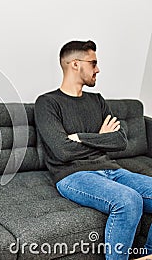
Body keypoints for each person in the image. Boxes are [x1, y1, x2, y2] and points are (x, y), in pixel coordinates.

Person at [34, 40, 152, 259]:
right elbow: (63, 151)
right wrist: (101, 138)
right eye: (93, 63)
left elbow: (120, 141)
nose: (98, 69)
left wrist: (80, 137)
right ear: (75, 64)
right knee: (129, 201)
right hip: (73, 175)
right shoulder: (47, 103)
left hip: (111, 169)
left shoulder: (97, 100)